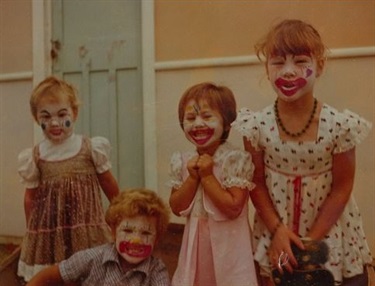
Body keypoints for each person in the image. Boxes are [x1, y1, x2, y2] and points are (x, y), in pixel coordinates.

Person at [232, 19, 373, 286]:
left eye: (300, 61)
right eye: (278, 62)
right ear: (267, 68)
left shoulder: (340, 126)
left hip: (328, 231)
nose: (288, 71)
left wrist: (309, 244)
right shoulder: (256, 127)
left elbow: (342, 188)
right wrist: (278, 232)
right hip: (277, 230)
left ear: (319, 66)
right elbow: (257, 184)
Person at [17, 76, 120, 282]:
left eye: (62, 114)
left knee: (91, 274)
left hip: (86, 228)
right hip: (50, 233)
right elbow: (30, 198)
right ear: (37, 119)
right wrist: (33, 232)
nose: (54, 122)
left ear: (75, 112)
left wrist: (119, 216)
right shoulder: (36, 156)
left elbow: (109, 184)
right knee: (53, 277)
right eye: (45, 117)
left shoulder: (90, 148)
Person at [169, 82, 259, 286]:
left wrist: (208, 177)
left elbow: (234, 207)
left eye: (207, 117)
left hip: (229, 246)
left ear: (227, 124)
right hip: (195, 247)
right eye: (190, 118)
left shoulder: (235, 159)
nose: (198, 124)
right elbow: (176, 207)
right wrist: (193, 178)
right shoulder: (183, 161)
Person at [26, 188, 171, 286]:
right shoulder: (92, 258)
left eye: (146, 233)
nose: (136, 240)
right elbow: (48, 275)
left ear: (156, 239)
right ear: (113, 232)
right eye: (127, 230)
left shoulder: (156, 270)